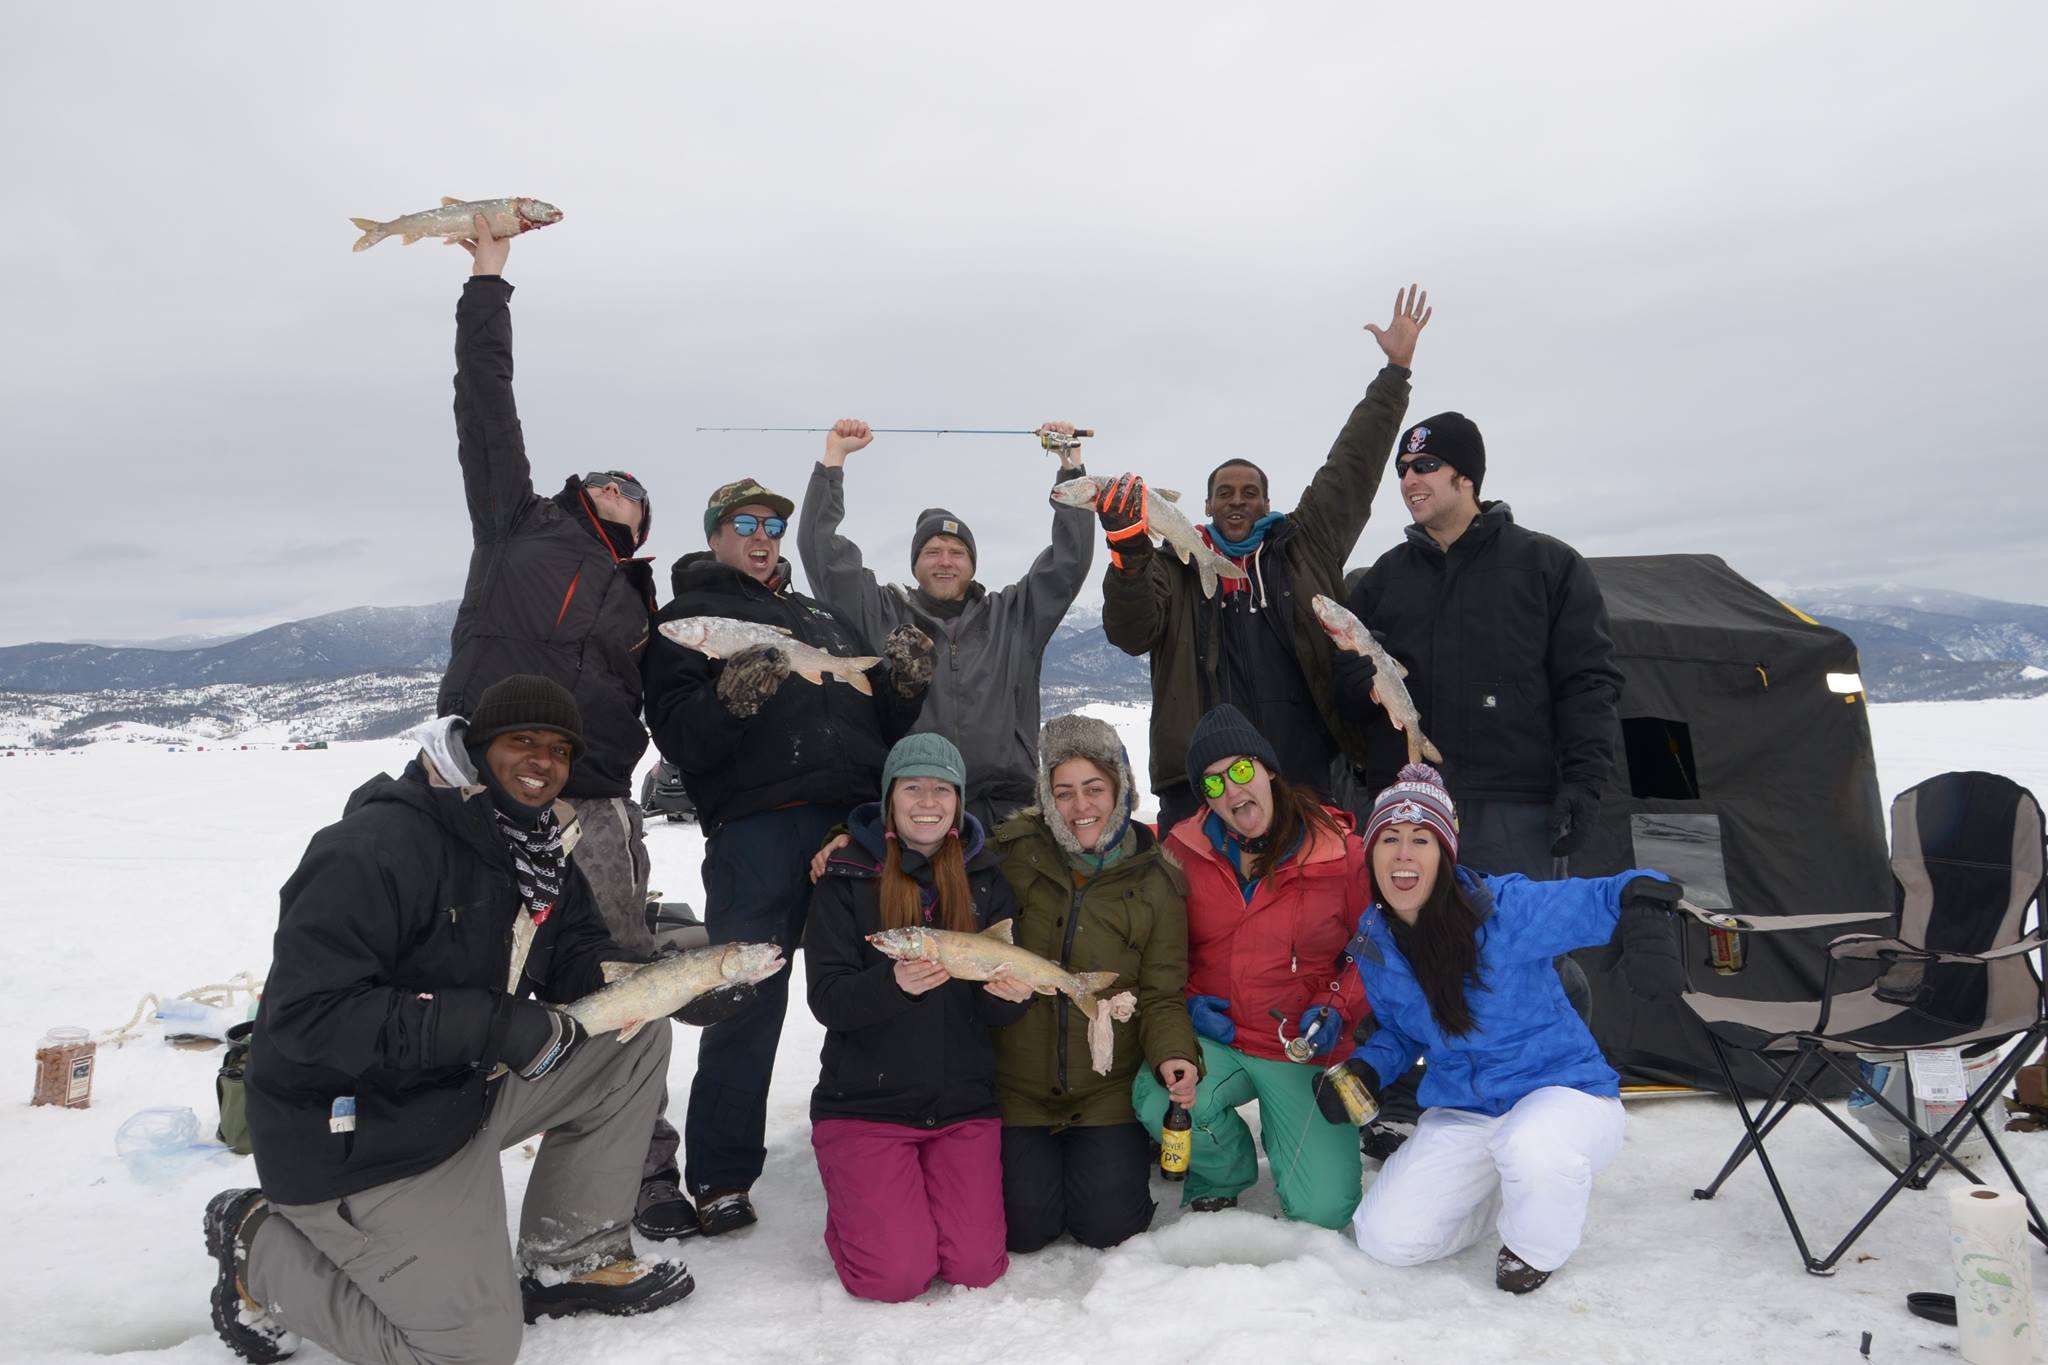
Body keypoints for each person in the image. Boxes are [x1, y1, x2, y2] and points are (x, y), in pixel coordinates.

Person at [205, 676, 691, 1365]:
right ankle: (257, 1244)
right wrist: (490, 1024)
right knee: (471, 1351)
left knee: (634, 1037)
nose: (542, 760)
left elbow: (581, 955)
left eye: (558, 748)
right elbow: (309, 1019)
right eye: (523, 740)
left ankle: (570, 1256)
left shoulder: (540, 846)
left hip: (460, 1090)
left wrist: (674, 984)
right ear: (479, 745)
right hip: (360, 1131)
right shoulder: (376, 844)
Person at [437, 218, 686, 1236]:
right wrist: (487, 281)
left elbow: (678, 704)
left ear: (639, 531)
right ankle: (434, 1173)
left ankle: (642, 1174)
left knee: (620, 978)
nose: (622, 487)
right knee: (457, 978)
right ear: (582, 495)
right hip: (477, 789)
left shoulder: (642, 606)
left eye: (639, 495)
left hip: (594, 802)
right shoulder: (517, 525)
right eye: (609, 480)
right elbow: (483, 405)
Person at [642, 479, 933, 1236]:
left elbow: (875, 721)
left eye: (773, 523)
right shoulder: (686, 621)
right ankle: (720, 1174)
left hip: (855, 826)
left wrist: (903, 688)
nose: (763, 534)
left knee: (877, 978)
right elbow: (681, 737)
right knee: (747, 994)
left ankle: (889, 1130)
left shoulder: (823, 618)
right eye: (745, 523)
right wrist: (728, 698)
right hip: (757, 829)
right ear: (715, 535)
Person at [1320, 762, 1681, 1293]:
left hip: (1562, 1095)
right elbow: (1402, 1031)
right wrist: (1367, 1069)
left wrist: (1647, 913)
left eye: (1421, 839)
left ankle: (1534, 1246)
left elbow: (1611, 893)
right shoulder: (1376, 938)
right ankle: (1499, 1195)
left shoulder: (1502, 909)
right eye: (1389, 838)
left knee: (1531, 1144)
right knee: (1385, 1238)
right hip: (1466, 1109)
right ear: (1370, 853)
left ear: (1444, 852)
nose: (1402, 854)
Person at [1099, 285, 1431, 830]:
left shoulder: (1304, 546)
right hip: (1199, 782)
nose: (1237, 502)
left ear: (1267, 502)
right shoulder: (1173, 566)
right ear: (1206, 505)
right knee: (1209, 914)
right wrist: (1129, 551)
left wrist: (1395, 373)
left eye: (1249, 493)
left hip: (1300, 776)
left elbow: (1353, 464)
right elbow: (1131, 631)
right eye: (1224, 493)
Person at [1339, 409, 1624, 881]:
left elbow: (1588, 684)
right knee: (1410, 953)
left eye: (1425, 465)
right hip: (1407, 811)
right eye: (1403, 469)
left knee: (1510, 948)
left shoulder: (1547, 566)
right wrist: (1353, 684)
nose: (1410, 478)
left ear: (1466, 476)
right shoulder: (1383, 580)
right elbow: (1348, 704)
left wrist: (1584, 782)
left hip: (1515, 811)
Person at [805, 734, 1036, 1301]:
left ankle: (907, 1209)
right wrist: (895, 985)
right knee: (895, 1275)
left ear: (958, 802)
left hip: (961, 1108)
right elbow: (827, 999)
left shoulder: (987, 879)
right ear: (890, 798)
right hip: (867, 1107)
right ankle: (861, 1214)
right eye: (913, 787)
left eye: (941, 788)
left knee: (976, 1267)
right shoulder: (844, 877)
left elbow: (993, 1015)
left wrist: (1009, 997)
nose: (927, 800)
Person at [1129, 704, 1372, 1229]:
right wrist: (1189, 999)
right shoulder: (1180, 850)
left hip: (1302, 1046)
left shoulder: (1341, 854)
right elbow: (1163, 949)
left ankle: (1289, 1135)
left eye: (1241, 770)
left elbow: (1371, 950)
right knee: (1156, 1098)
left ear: (1267, 771)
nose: (1232, 791)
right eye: (1213, 784)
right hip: (1220, 1041)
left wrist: (1335, 1006)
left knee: (1323, 1210)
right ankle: (1223, 1171)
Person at [798, 419, 1096, 832]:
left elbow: (1069, 562)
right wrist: (834, 461)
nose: (945, 560)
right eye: (933, 551)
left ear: (973, 565)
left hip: (1005, 812)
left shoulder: (1012, 616)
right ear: (915, 564)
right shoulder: (881, 612)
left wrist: (1070, 468)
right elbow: (822, 556)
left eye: (957, 552)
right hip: (917, 810)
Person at [990, 713, 1202, 1251]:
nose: (1081, 807)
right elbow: (934, 843)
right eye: (1063, 792)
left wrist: (1175, 1055)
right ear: (1045, 795)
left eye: (1094, 789)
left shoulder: (1158, 879)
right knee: (1024, 1227)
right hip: (1020, 1087)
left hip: (1106, 1089)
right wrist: (842, 834)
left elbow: (1161, 993)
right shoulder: (1012, 855)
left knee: (1109, 1227)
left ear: (1120, 788)